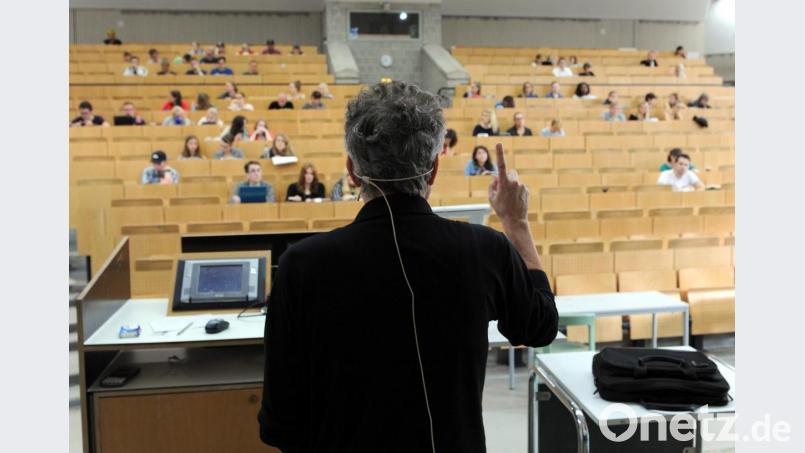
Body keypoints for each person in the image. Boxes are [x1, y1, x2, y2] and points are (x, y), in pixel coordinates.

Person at [258, 81, 557, 453]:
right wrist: (516, 224)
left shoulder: (301, 264)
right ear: (433, 169)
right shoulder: (484, 249)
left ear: (352, 171)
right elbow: (541, 325)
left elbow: (280, 425)